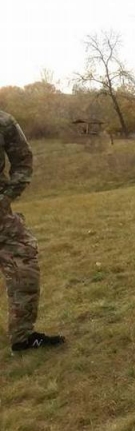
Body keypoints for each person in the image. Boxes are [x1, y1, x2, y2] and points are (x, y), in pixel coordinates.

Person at [0, 110, 65, 352]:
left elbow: (23, 160)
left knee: (24, 267)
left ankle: (22, 337)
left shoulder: (3, 122)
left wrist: (6, 198)